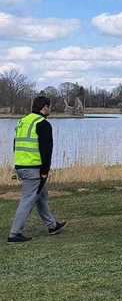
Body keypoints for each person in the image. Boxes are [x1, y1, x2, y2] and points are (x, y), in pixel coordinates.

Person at [8, 96, 66, 243]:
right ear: (44, 107)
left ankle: (52, 226)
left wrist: (17, 167)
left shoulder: (23, 121)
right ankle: (14, 234)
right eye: (49, 107)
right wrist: (45, 171)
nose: (50, 110)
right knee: (28, 200)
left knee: (41, 196)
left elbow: (15, 145)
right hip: (34, 168)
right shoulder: (43, 124)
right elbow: (47, 151)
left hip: (21, 166)